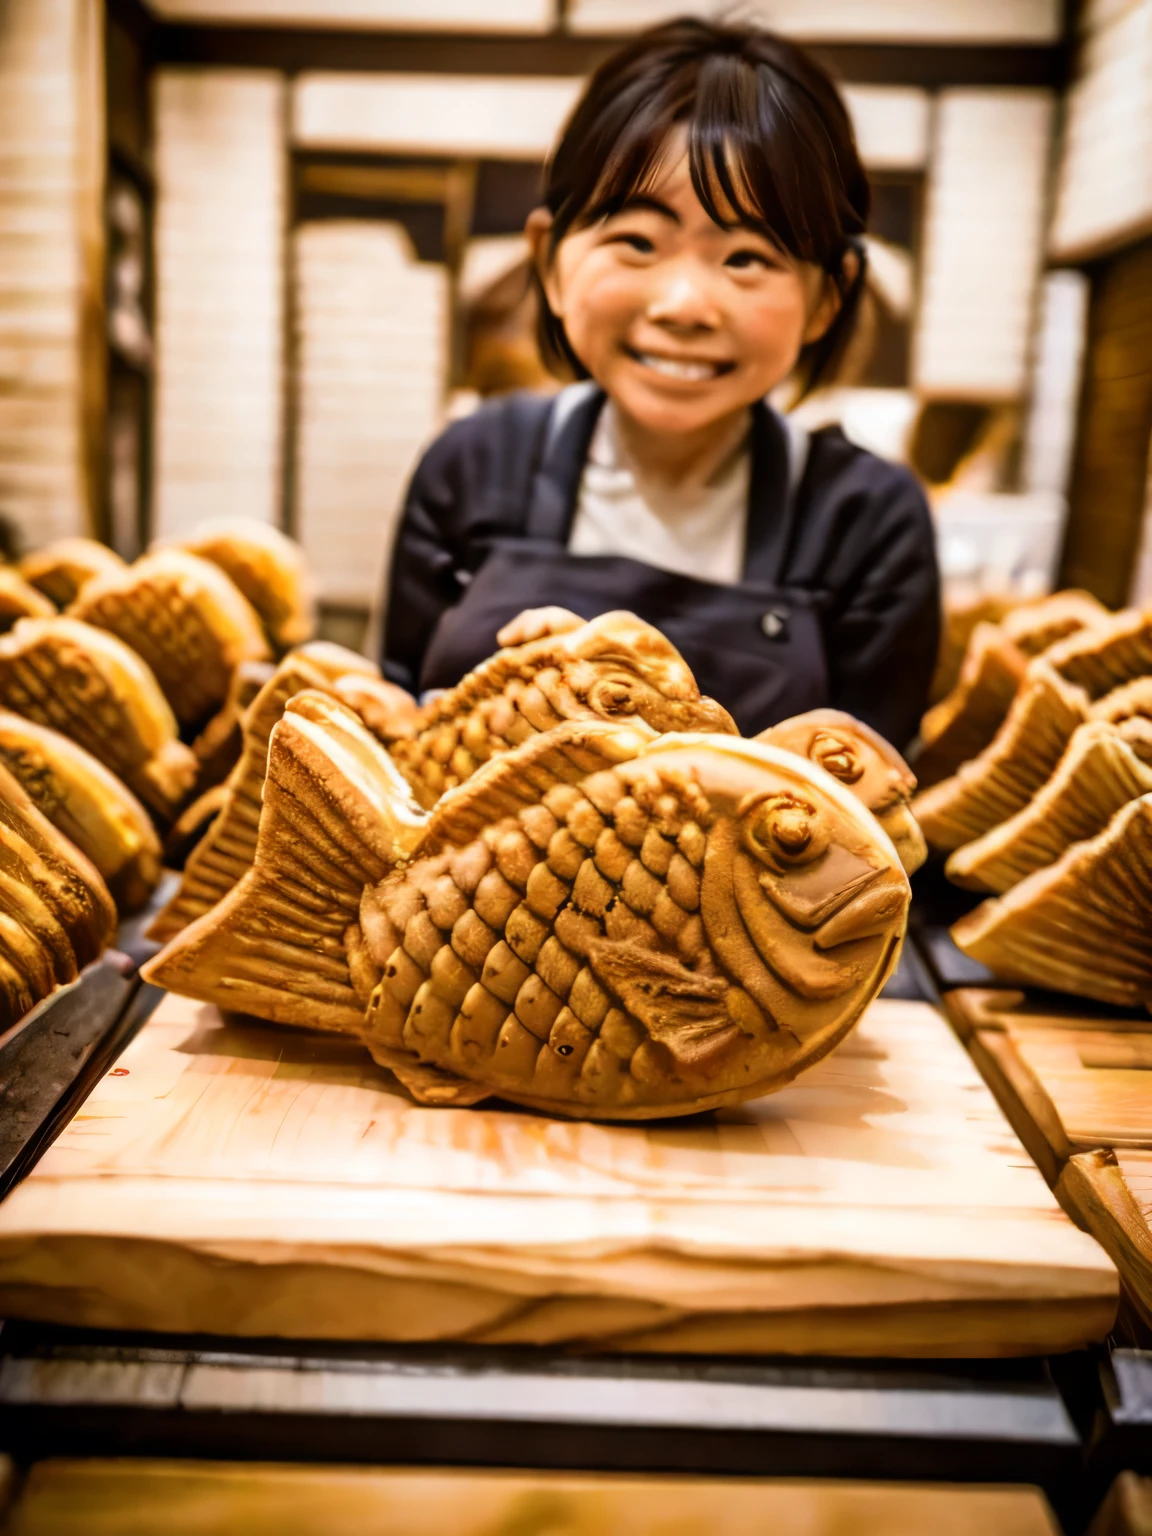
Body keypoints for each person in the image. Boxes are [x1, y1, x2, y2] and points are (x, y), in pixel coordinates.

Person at [381, 17, 940, 748]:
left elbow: (873, 822)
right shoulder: (471, 466)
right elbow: (392, 751)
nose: (683, 306)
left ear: (827, 298)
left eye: (746, 257)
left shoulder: (866, 523)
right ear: (551, 261)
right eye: (636, 242)